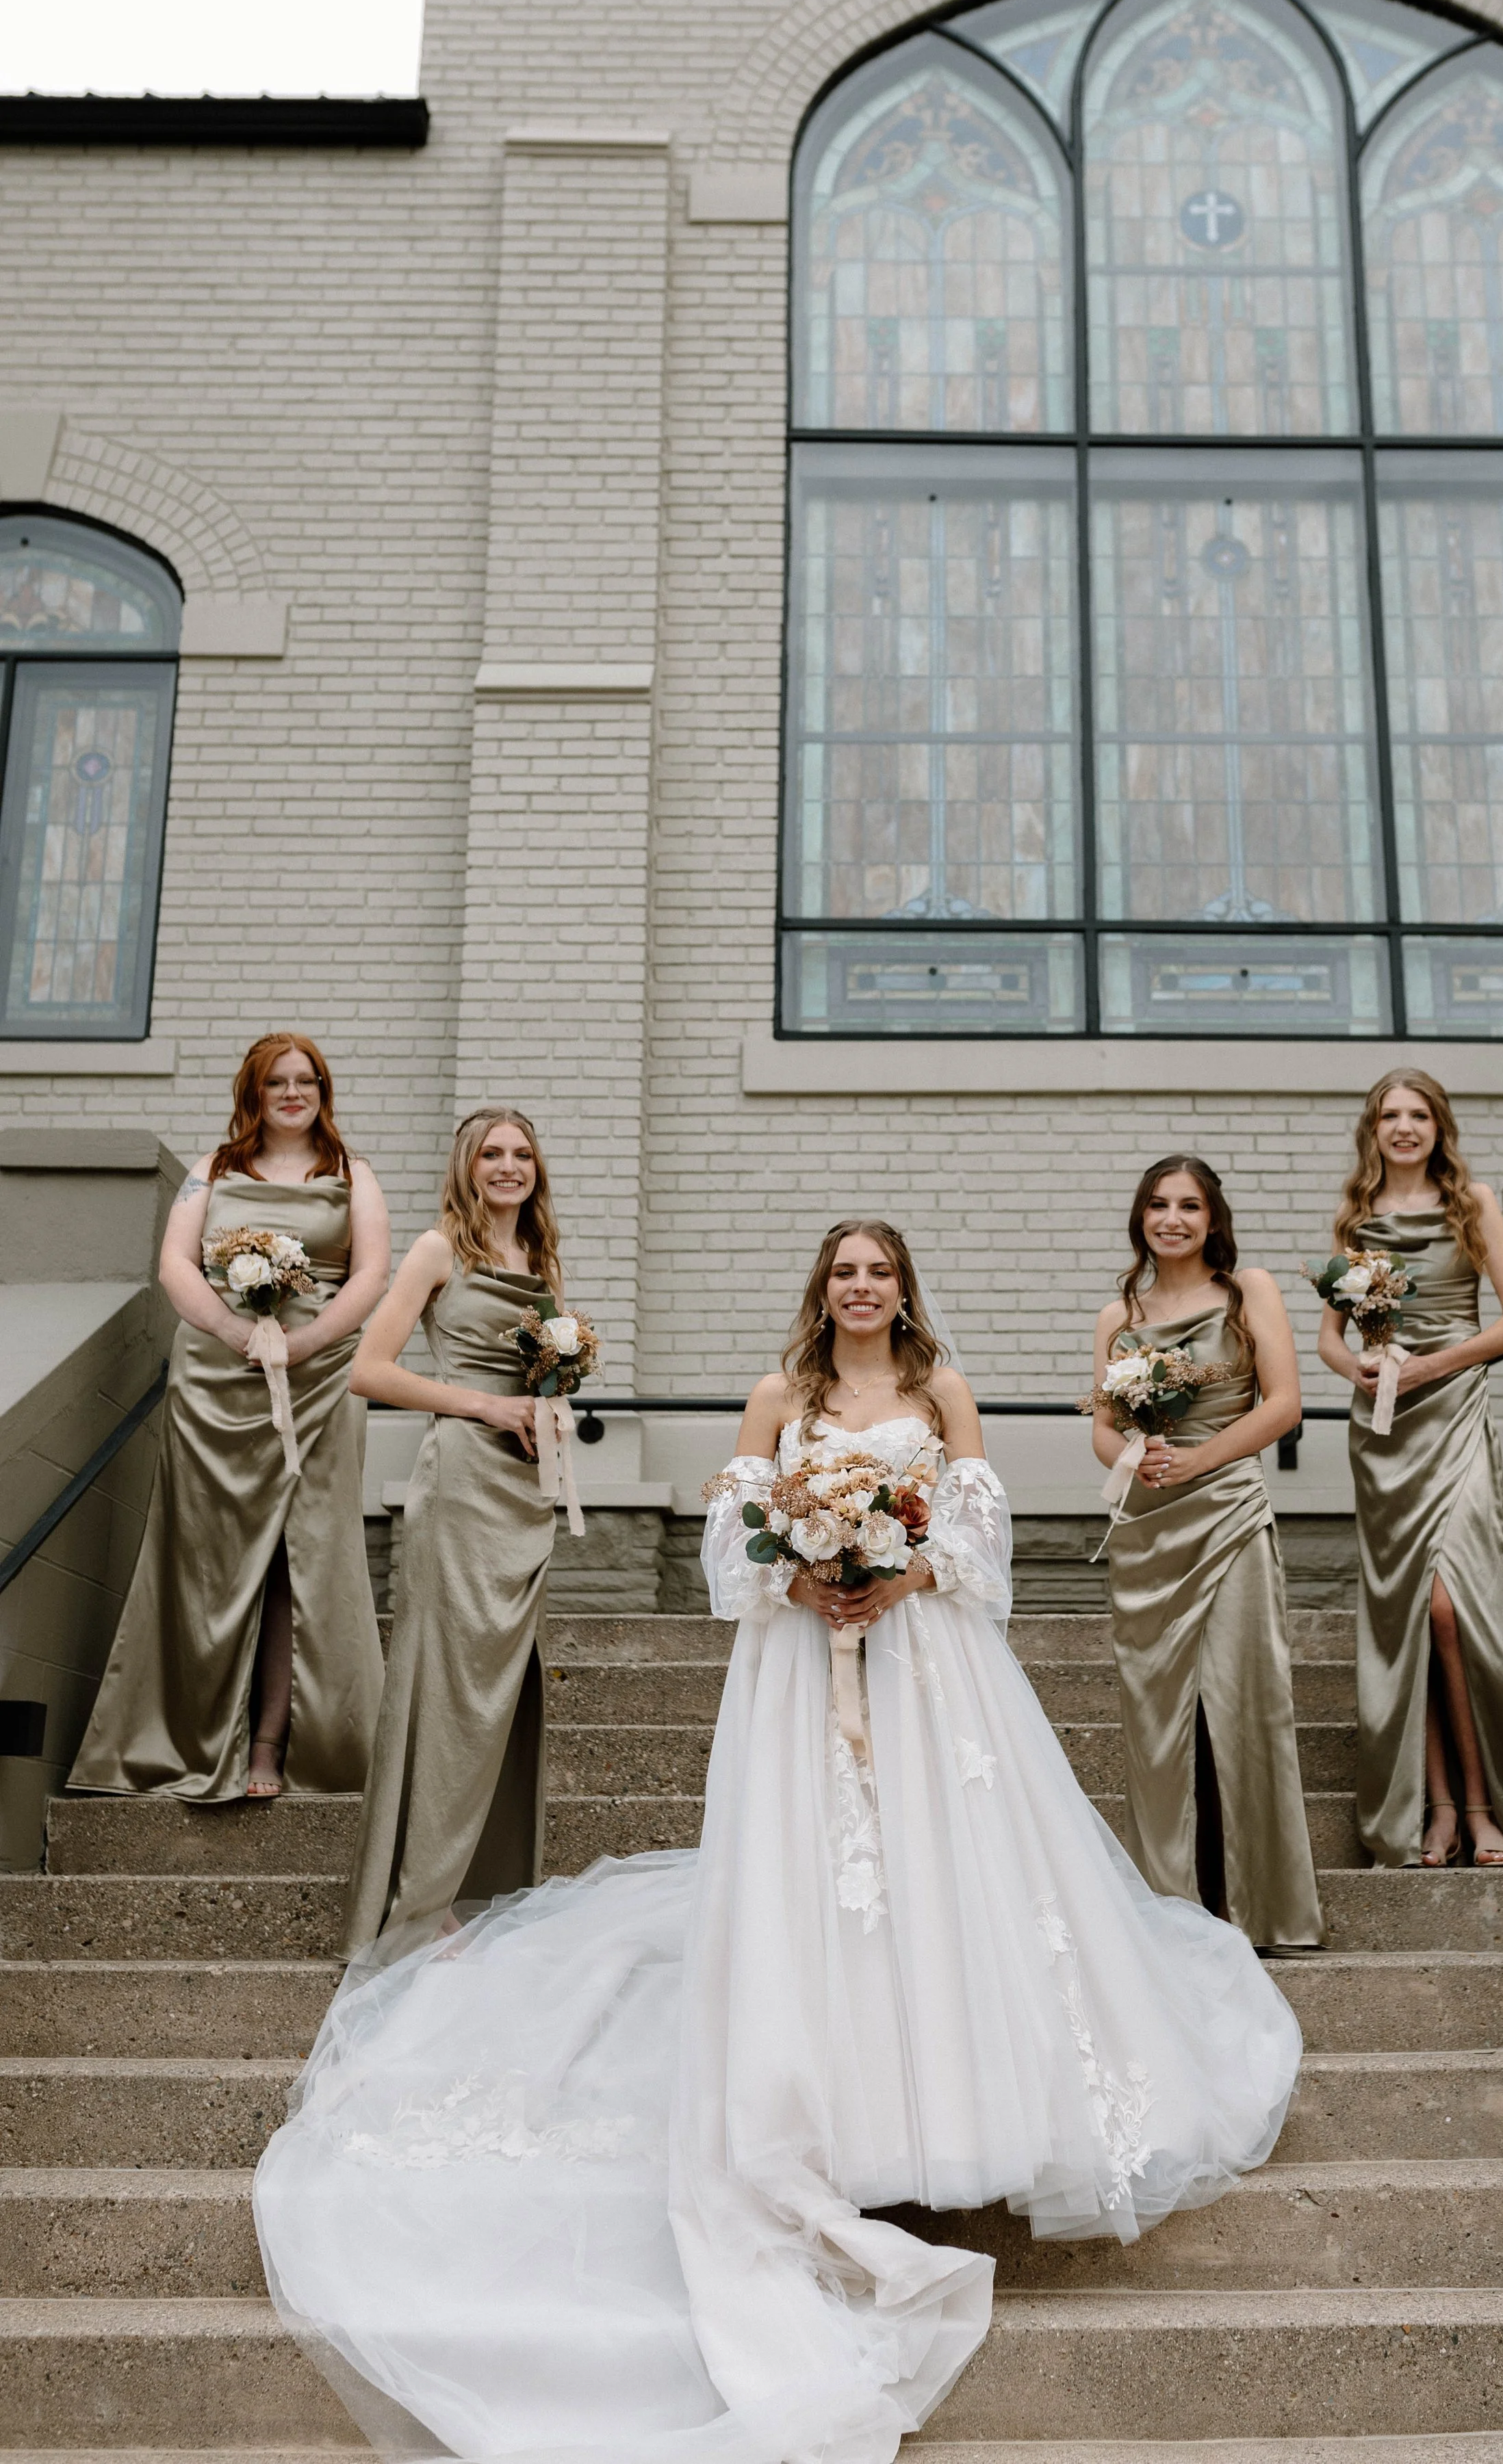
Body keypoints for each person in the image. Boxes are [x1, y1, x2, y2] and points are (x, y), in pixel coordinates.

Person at [253, 1219, 1300, 2464]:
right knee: (819, 1892)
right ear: (825, 1290)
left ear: (905, 1289)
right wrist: (802, 1574)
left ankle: (954, 2111)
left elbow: (980, 1529)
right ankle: (833, 2116)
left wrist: (898, 1574)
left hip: (925, 1669)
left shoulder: (941, 1389)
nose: (863, 1288)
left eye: (881, 1272)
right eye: (845, 1272)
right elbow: (733, 1529)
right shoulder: (776, 1393)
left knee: (940, 1883)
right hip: (803, 1670)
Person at [70, 1033, 389, 1802]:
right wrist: (233, 1330)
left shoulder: (352, 1174)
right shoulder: (213, 1172)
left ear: (323, 1090)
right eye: (276, 1081)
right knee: (204, 1555)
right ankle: (186, 1737)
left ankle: (273, 1747)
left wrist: (305, 1339)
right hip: (219, 1379)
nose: (292, 1093)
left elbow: (374, 1272)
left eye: (305, 1080)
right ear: (253, 1091)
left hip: (316, 1385)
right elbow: (176, 1264)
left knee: (298, 1557)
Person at [1319, 1069, 1503, 1868]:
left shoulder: (1471, 1203)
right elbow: (1328, 1340)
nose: (1403, 1128)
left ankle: (1486, 1810)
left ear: (1438, 1127)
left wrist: (1429, 1366)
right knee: (1412, 1617)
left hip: (1451, 1415)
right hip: (1383, 1432)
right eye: (1388, 1115)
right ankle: (1438, 1811)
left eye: (1417, 1115)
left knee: (1452, 1613)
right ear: (1371, 1131)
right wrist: (1365, 1373)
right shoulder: (1356, 1220)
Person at [341, 1107, 572, 1967]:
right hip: (462, 1482)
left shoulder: (539, 1262)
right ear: (468, 1168)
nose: (507, 1167)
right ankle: (419, 1900)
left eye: (521, 1154)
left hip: (523, 1488)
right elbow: (370, 1368)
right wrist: (484, 1403)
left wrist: (548, 1399)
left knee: (501, 1695)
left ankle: (481, 1880)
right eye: (491, 1155)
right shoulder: (443, 1249)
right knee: (446, 1687)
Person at [1090, 1157, 1320, 1952]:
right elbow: (1101, 1428)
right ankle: (1170, 1906)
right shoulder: (1118, 1313)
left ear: (1212, 1217)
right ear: (1140, 1216)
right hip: (1148, 1526)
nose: (1172, 1219)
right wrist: (1136, 1455)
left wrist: (1198, 1458)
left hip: (1225, 1510)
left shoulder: (1247, 1290)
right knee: (1157, 1715)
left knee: (1243, 1694)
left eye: (1188, 1206)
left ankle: (1263, 1907)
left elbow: (1285, 1404)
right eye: (1157, 1204)